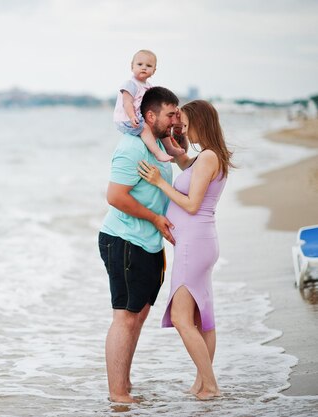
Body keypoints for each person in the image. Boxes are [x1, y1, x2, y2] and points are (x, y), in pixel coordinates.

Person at [138, 100, 234, 400]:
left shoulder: (207, 158)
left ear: (201, 123)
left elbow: (191, 204)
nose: (184, 129)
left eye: (187, 124)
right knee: (202, 317)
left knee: (182, 318)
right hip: (201, 242)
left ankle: (211, 385)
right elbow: (185, 165)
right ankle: (202, 383)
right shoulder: (207, 157)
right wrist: (170, 142)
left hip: (194, 244)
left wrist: (158, 182)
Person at [99, 86, 189, 403]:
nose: (175, 117)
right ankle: (118, 394)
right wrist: (154, 218)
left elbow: (186, 162)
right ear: (150, 116)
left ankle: (124, 384)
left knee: (137, 316)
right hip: (123, 239)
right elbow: (115, 197)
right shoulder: (132, 148)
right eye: (170, 113)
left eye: (177, 112)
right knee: (125, 317)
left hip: (149, 244)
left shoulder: (161, 146)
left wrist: (180, 129)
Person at [113, 50, 185, 163]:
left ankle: (170, 148)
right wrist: (132, 116)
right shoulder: (130, 84)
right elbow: (127, 103)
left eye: (149, 66)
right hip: (126, 118)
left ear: (154, 70)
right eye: (139, 64)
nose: (144, 68)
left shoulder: (149, 86)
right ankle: (158, 153)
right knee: (145, 128)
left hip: (138, 117)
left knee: (163, 127)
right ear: (132, 66)